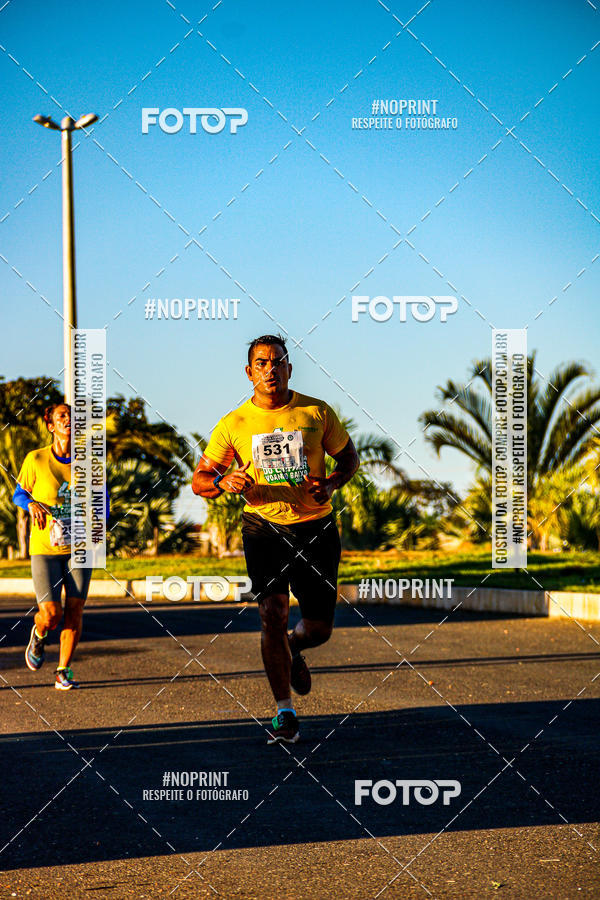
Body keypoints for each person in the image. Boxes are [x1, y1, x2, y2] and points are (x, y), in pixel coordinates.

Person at [192, 334, 359, 744]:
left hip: (315, 526)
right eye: (261, 364)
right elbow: (199, 480)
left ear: (289, 368)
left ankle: (294, 647)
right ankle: (284, 711)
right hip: (262, 527)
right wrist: (222, 479)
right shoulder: (233, 424)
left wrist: (333, 483)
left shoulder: (316, 412)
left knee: (319, 628)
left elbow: (349, 457)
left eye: (277, 362)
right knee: (272, 613)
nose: (270, 370)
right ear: (249, 373)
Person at [13, 403, 95, 690]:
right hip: (45, 548)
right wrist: (31, 502)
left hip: (80, 547)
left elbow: (103, 499)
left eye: (73, 416)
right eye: (62, 416)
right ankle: (39, 632)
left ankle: (63, 669)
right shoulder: (35, 459)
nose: (68, 420)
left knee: (75, 609)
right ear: (50, 425)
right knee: (52, 613)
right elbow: (18, 494)